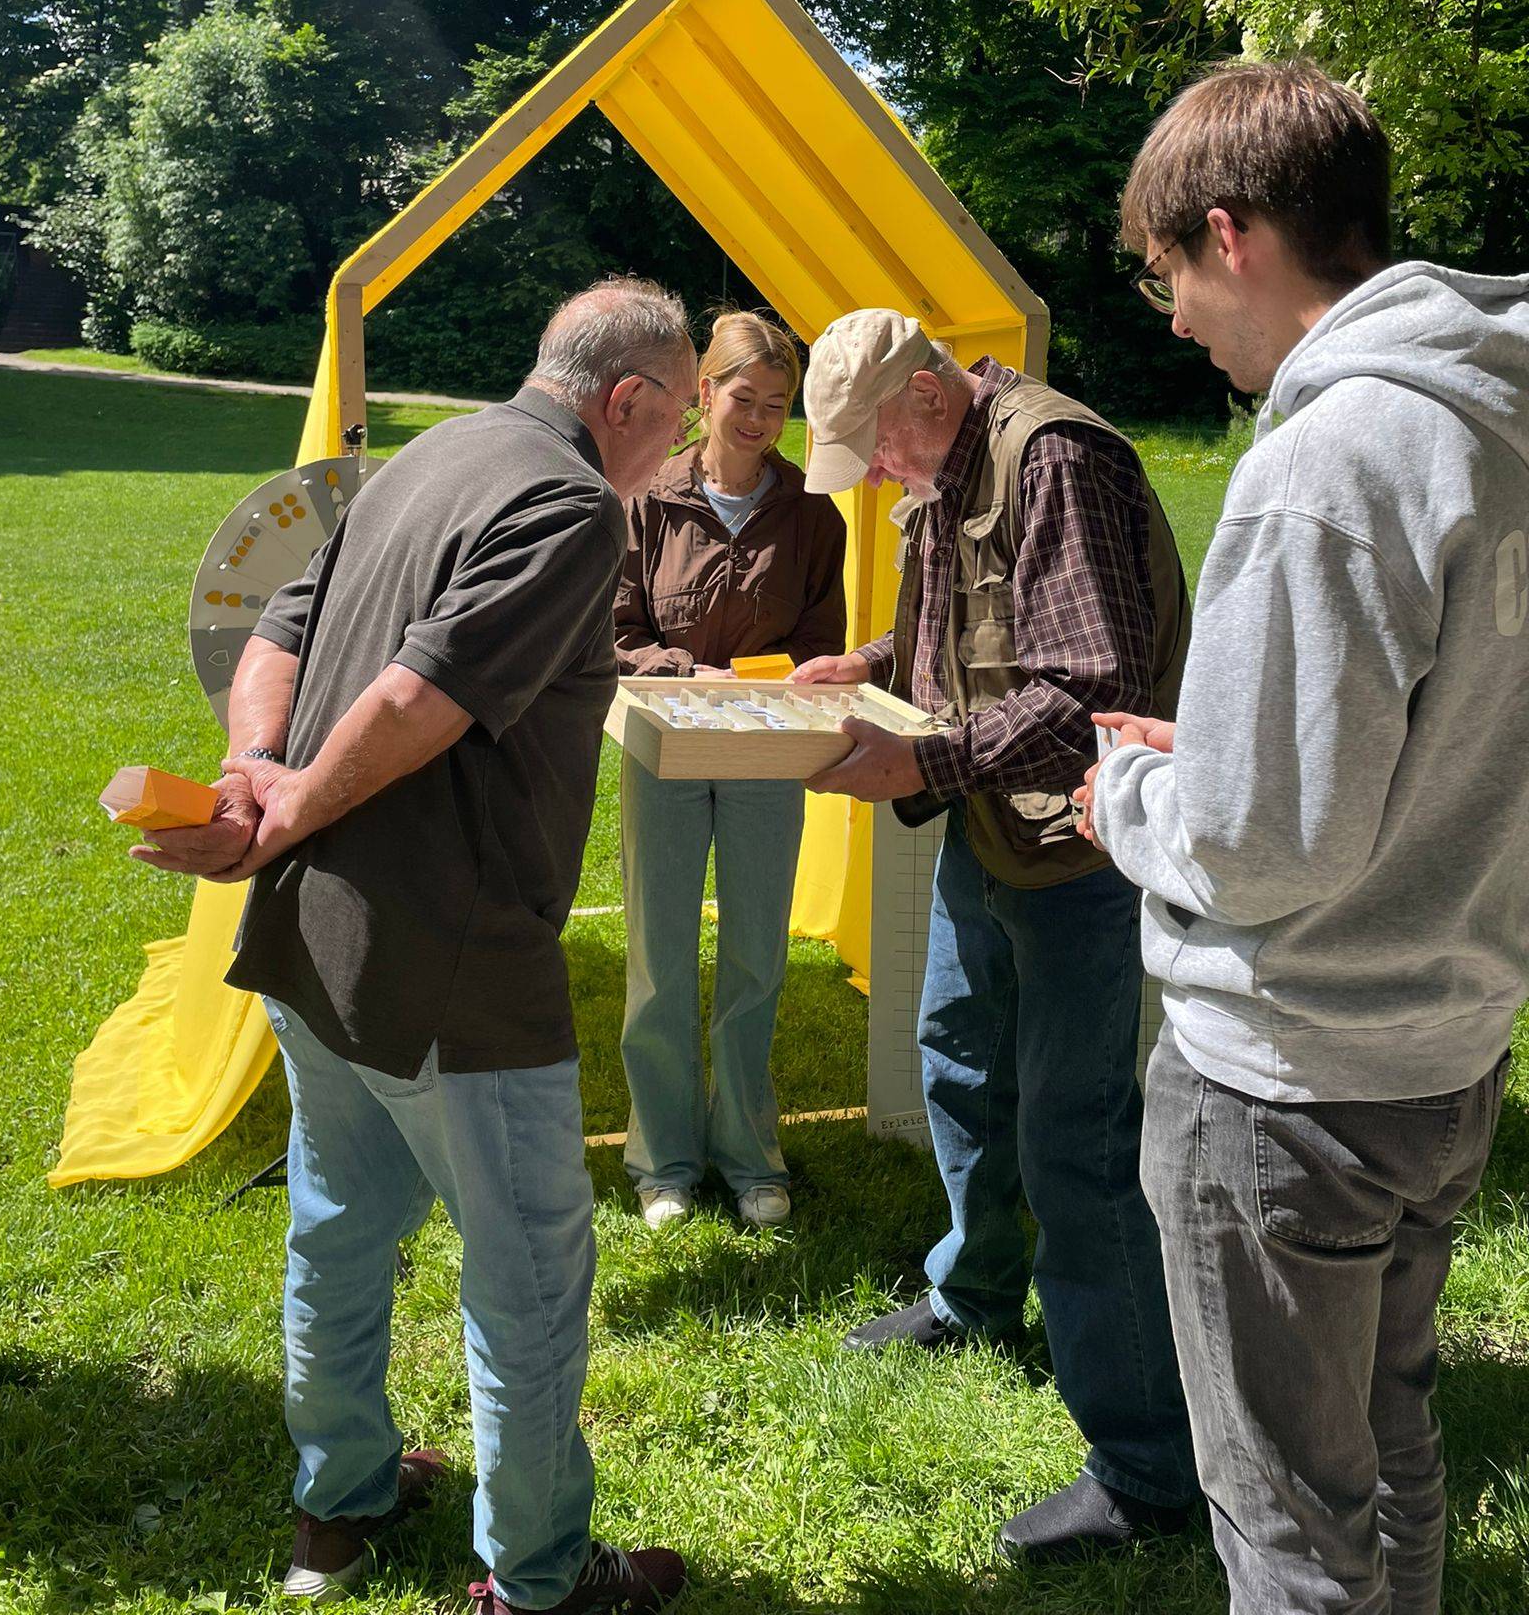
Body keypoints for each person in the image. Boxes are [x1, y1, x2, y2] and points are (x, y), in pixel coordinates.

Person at [136, 280, 699, 1615]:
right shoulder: (571, 503)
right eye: (677, 420)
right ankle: (539, 1578)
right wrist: (278, 807)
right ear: (626, 399)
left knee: (337, 1229)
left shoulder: (430, 449)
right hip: (450, 953)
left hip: (317, 937)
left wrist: (255, 771)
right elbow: (414, 697)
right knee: (530, 1281)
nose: (674, 450)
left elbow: (279, 628)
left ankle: (337, 1505)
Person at [1074, 60, 1529, 1615]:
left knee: (1288, 1533)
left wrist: (1132, 800)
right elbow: (1442, 732)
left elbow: (1264, 851)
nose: (1176, 321)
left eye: (1170, 278)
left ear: (1232, 232)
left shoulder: (1328, 457)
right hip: (1447, 1056)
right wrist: (1218, 757)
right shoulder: (1498, 423)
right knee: (1392, 1455)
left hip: (1286, 1080)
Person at [793, 308, 1199, 1561]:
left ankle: (1148, 1467)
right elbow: (959, 634)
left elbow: (1090, 689)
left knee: (1077, 1138)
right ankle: (974, 1295)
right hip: (994, 828)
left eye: (873, 446)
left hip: (1079, 847)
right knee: (960, 1062)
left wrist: (921, 759)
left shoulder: (1055, 459)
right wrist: (865, 664)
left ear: (927, 394)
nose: (872, 475)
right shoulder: (951, 464)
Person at [615, 310, 846, 1231]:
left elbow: (822, 643)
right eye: (743, 399)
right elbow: (615, 631)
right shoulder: (643, 500)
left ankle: (751, 1156)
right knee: (659, 957)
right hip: (664, 751)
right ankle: (663, 1161)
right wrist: (689, 675)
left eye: (777, 406)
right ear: (704, 393)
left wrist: (783, 682)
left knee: (756, 956)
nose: (757, 421)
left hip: (766, 754)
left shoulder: (814, 512)